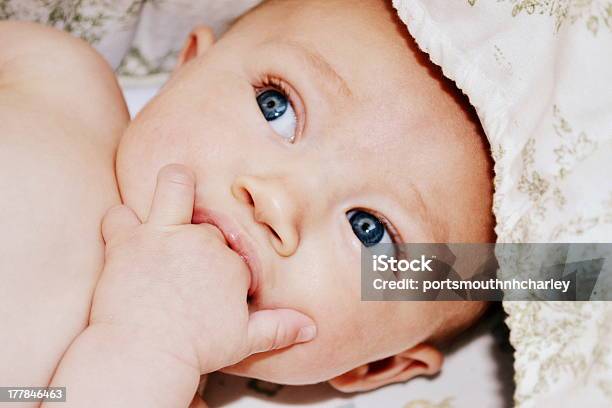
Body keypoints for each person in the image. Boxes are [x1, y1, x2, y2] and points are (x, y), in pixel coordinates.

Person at [0, 0, 495, 406]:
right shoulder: (58, 73)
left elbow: (571, 273)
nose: (277, 200)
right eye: (275, 106)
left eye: (370, 230)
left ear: (380, 365)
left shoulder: (150, 387)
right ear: (190, 64)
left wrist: (149, 342)